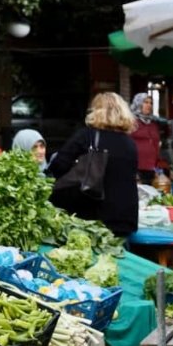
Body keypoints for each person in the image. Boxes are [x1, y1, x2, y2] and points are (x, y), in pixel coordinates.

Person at [48, 92, 139, 237]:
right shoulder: (130, 144)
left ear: (96, 111)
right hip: (125, 218)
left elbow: (58, 165)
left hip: (95, 218)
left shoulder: (87, 136)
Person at [129, 93, 163, 185]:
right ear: (138, 104)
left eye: (151, 103)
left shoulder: (153, 123)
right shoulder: (130, 122)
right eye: (145, 102)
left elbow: (156, 145)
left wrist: (158, 167)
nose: (149, 105)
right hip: (135, 168)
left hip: (152, 168)